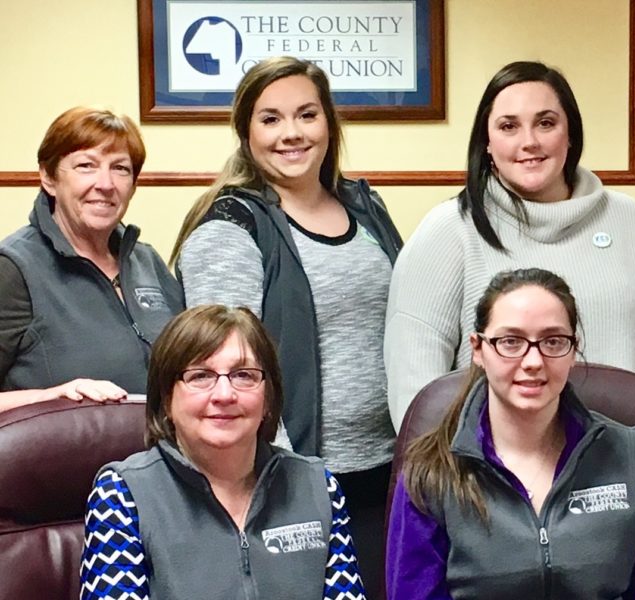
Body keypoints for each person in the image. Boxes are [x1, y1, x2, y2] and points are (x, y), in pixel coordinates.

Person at [384, 61, 635, 466]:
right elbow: (416, 390)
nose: (529, 141)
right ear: (488, 142)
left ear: (571, 134)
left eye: (545, 123)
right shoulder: (449, 231)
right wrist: (452, 488)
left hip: (627, 487)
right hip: (491, 491)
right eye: (509, 126)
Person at [172, 56, 403, 590]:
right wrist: (284, 478)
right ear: (245, 132)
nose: (292, 133)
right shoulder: (231, 227)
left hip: (385, 474)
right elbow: (224, 371)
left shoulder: (364, 207)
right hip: (291, 482)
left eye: (307, 114)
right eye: (270, 118)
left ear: (329, 123)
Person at [385, 268, 635, 599]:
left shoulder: (628, 456)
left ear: (573, 350)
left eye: (553, 341)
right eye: (510, 342)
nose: (533, 360)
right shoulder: (431, 472)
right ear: (477, 349)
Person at [80, 305, 365, 599]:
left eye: (244, 375)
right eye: (200, 376)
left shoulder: (317, 485)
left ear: (268, 398)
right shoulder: (122, 495)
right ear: (167, 399)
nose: (224, 395)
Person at [0, 106, 182, 412]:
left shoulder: (146, 262)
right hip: (59, 457)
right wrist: (51, 398)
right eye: (86, 165)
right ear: (48, 177)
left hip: (159, 456)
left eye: (120, 168)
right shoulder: (14, 269)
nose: (106, 183)